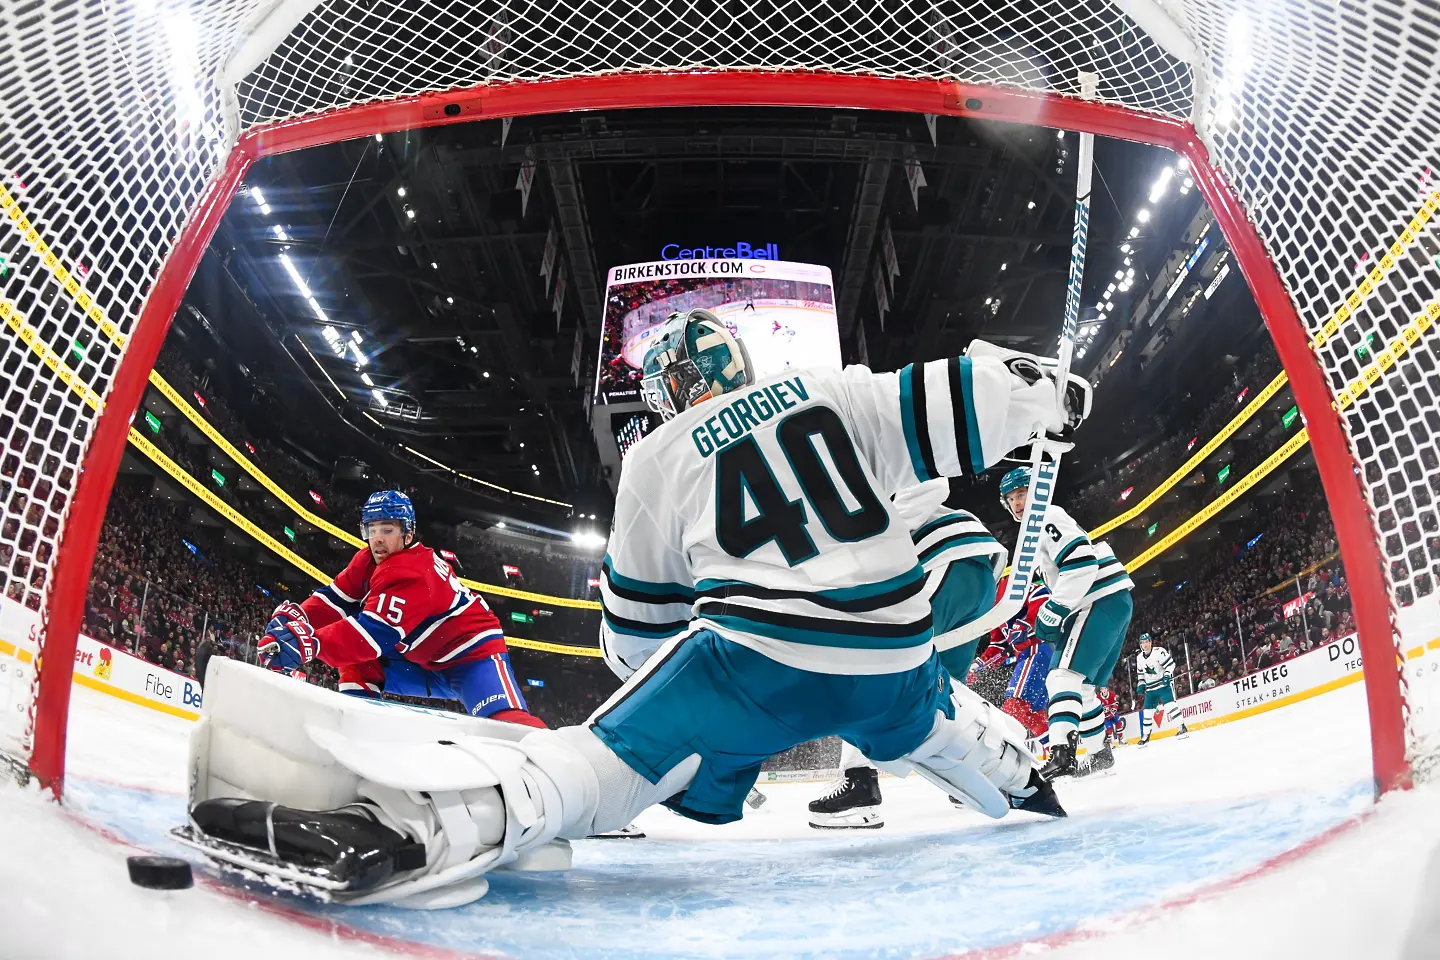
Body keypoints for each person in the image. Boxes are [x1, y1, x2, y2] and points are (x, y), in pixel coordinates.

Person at [182, 314, 1090, 906]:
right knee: (927, 717)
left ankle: (418, 829)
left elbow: (638, 638)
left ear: (674, 390)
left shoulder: (659, 458)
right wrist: (1044, 393)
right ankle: (1020, 781)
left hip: (757, 659)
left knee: (587, 760)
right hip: (893, 654)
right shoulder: (838, 389)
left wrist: (671, 730)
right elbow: (973, 396)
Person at [807, 478, 1008, 829]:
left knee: (869, 668)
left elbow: (928, 481)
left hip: (942, 559)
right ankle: (990, 774)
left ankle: (859, 785)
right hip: (973, 572)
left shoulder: (854, 463)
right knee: (941, 690)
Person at [257, 490, 544, 728]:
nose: (377, 538)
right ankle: (359, 729)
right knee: (353, 659)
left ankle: (567, 757)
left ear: (408, 533)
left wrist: (310, 642)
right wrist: (299, 618)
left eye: (388, 529)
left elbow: (372, 635)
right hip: (423, 660)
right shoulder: (368, 560)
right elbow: (335, 599)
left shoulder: (411, 572)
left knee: (508, 729)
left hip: (471, 658)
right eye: (372, 529)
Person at [997, 467, 1134, 778]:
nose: (1017, 502)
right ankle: (1099, 754)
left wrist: (1055, 608)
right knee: (1081, 688)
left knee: (1061, 677)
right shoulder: (1034, 530)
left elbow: (1082, 562)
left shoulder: (1045, 516)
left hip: (1097, 599)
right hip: (1108, 600)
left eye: (1022, 494)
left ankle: (1061, 754)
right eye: (1011, 498)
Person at [1135, 632, 1187, 743]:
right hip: (1150, 689)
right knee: (1147, 712)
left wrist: (1167, 675)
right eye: (1143, 643)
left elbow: (1171, 664)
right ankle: (1145, 736)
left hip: (1163, 685)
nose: (1145, 645)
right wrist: (1141, 684)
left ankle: (1181, 726)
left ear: (1150, 642)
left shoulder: (1159, 652)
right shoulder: (1139, 658)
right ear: (1140, 644)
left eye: (1147, 642)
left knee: (1170, 706)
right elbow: (1141, 675)